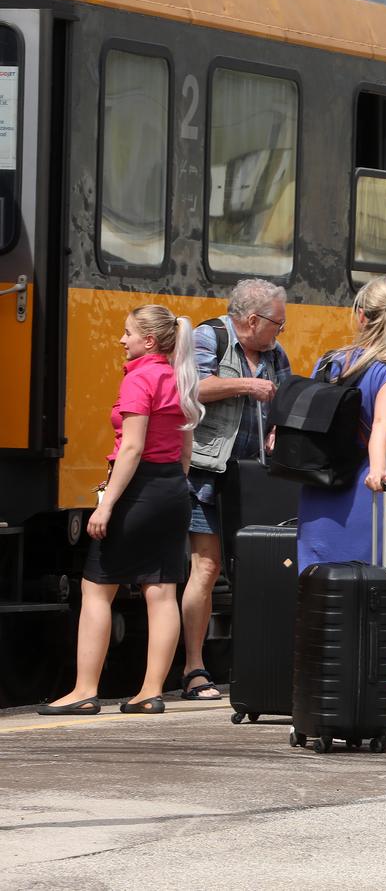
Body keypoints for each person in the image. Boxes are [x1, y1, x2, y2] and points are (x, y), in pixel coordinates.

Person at [40, 306, 203, 715]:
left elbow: (131, 447)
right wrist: (172, 486)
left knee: (97, 588)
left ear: (149, 340)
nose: (121, 340)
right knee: (161, 591)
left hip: (137, 488)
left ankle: (84, 691)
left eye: (127, 333)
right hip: (172, 488)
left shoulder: (140, 378)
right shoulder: (180, 377)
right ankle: (151, 692)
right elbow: (186, 449)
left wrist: (107, 504)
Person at [180, 278, 292, 702]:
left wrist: (278, 428)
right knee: (207, 567)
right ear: (253, 319)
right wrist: (247, 385)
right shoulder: (209, 337)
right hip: (208, 472)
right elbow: (191, 387)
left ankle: (255, 666)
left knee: (256, 569)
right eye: (277, 323)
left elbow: (284, 400)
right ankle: (194, 669)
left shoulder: (275, 353)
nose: (280, 331)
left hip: (252, 478)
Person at [297, 276, 386, 573]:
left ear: (361, 316)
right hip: (362, 488)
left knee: (316, 581)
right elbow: (382, 424)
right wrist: (378, 470)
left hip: (319, 484)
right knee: (363, 581)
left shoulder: (329, 362)